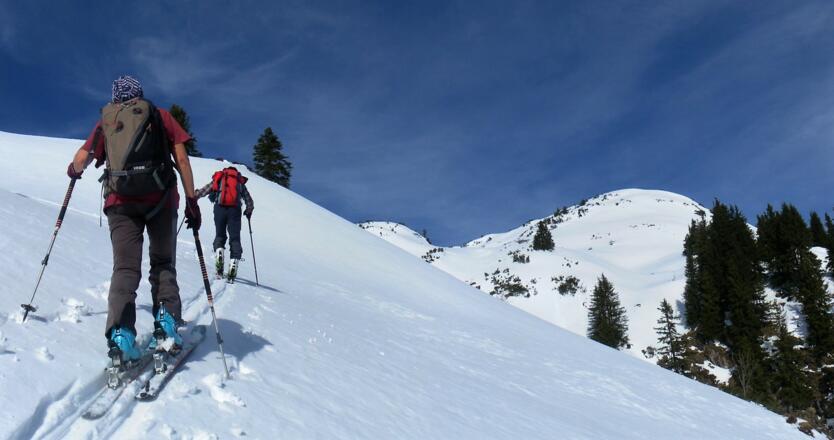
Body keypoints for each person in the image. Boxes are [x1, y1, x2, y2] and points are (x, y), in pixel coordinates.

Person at [67, 75, 201, 364]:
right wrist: (192, 201)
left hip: (120, 204)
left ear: (115, 97)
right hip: (161, 201)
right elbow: (183, 160)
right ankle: (166, 324)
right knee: (163, 262)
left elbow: (82, 159)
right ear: (139, 94)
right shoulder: (159, 115)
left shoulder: (107, 120)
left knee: (125, 268)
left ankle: (121, 335)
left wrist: (74, 169)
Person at [195, 166, 254, 282]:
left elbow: (205, 190)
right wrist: (248, 211)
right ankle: (233, 263)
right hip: (235, 211)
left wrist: (195, 195)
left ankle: (219, 251)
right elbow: (249, 202)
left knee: (220, 235)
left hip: (219, 209)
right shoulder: (239, 181)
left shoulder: (220, 177)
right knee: (235, 238)